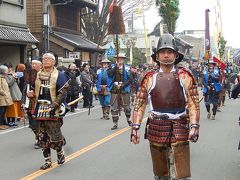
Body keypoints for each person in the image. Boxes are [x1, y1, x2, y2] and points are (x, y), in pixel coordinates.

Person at [131, 34, 200, 180]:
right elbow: (139, 103)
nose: (166, 55)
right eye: (163, 52)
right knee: (160, 175)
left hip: (179, 123)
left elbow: (193, 103)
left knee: (182, 175)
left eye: (169, 52)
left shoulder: (185, 76)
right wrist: (135, 127)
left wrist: (194, 125)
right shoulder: (149, 77)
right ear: (157, 56)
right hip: (157, 125)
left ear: (175, 55)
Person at [29, 53, 69, 170]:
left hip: (53, 107)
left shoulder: (60, 75)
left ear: (54, 62)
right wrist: (30, 94)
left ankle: (60, 152)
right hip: (39, 107)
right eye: (44, 59)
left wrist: (55, 104)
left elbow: (63, 92)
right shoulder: (36, 75)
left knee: (55, 133)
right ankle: (47, 160)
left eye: (48, 59)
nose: (46, 60)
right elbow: (32, 89)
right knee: (41, 135)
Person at [107, 53, 133, 130]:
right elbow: (109, 74)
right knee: (114, 107)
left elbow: (130, 79)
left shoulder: (128, 68)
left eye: (121, 58)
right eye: (118, 58)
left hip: (124, 89)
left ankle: (129, 120)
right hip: (114, 89)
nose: (119, 60)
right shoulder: (112, 67)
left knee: (127, 107)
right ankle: (115, 124)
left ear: (124, 59)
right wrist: (116, 67)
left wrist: (122, 85)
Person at [22, 59, 42, 148]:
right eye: (32, 64)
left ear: (40, 66)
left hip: (41, 102)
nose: (33, 66)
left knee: (39, 122)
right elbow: (24, 90)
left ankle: (39, 139)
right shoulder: (29, 75)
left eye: (35, 64)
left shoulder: (43, 75)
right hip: (30, 102)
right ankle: (38, 136)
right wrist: (22, 102)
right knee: (32, 123)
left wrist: (35, 93)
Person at [0, 65, 13, 130]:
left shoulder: (3, 77)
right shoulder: (0, 78)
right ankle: (1, 124)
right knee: (1, 112)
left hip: (4, 98)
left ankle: (3, 124)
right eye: (6, 70)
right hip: (2, 98)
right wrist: (4, 93)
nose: (7, 71)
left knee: (3, 111)